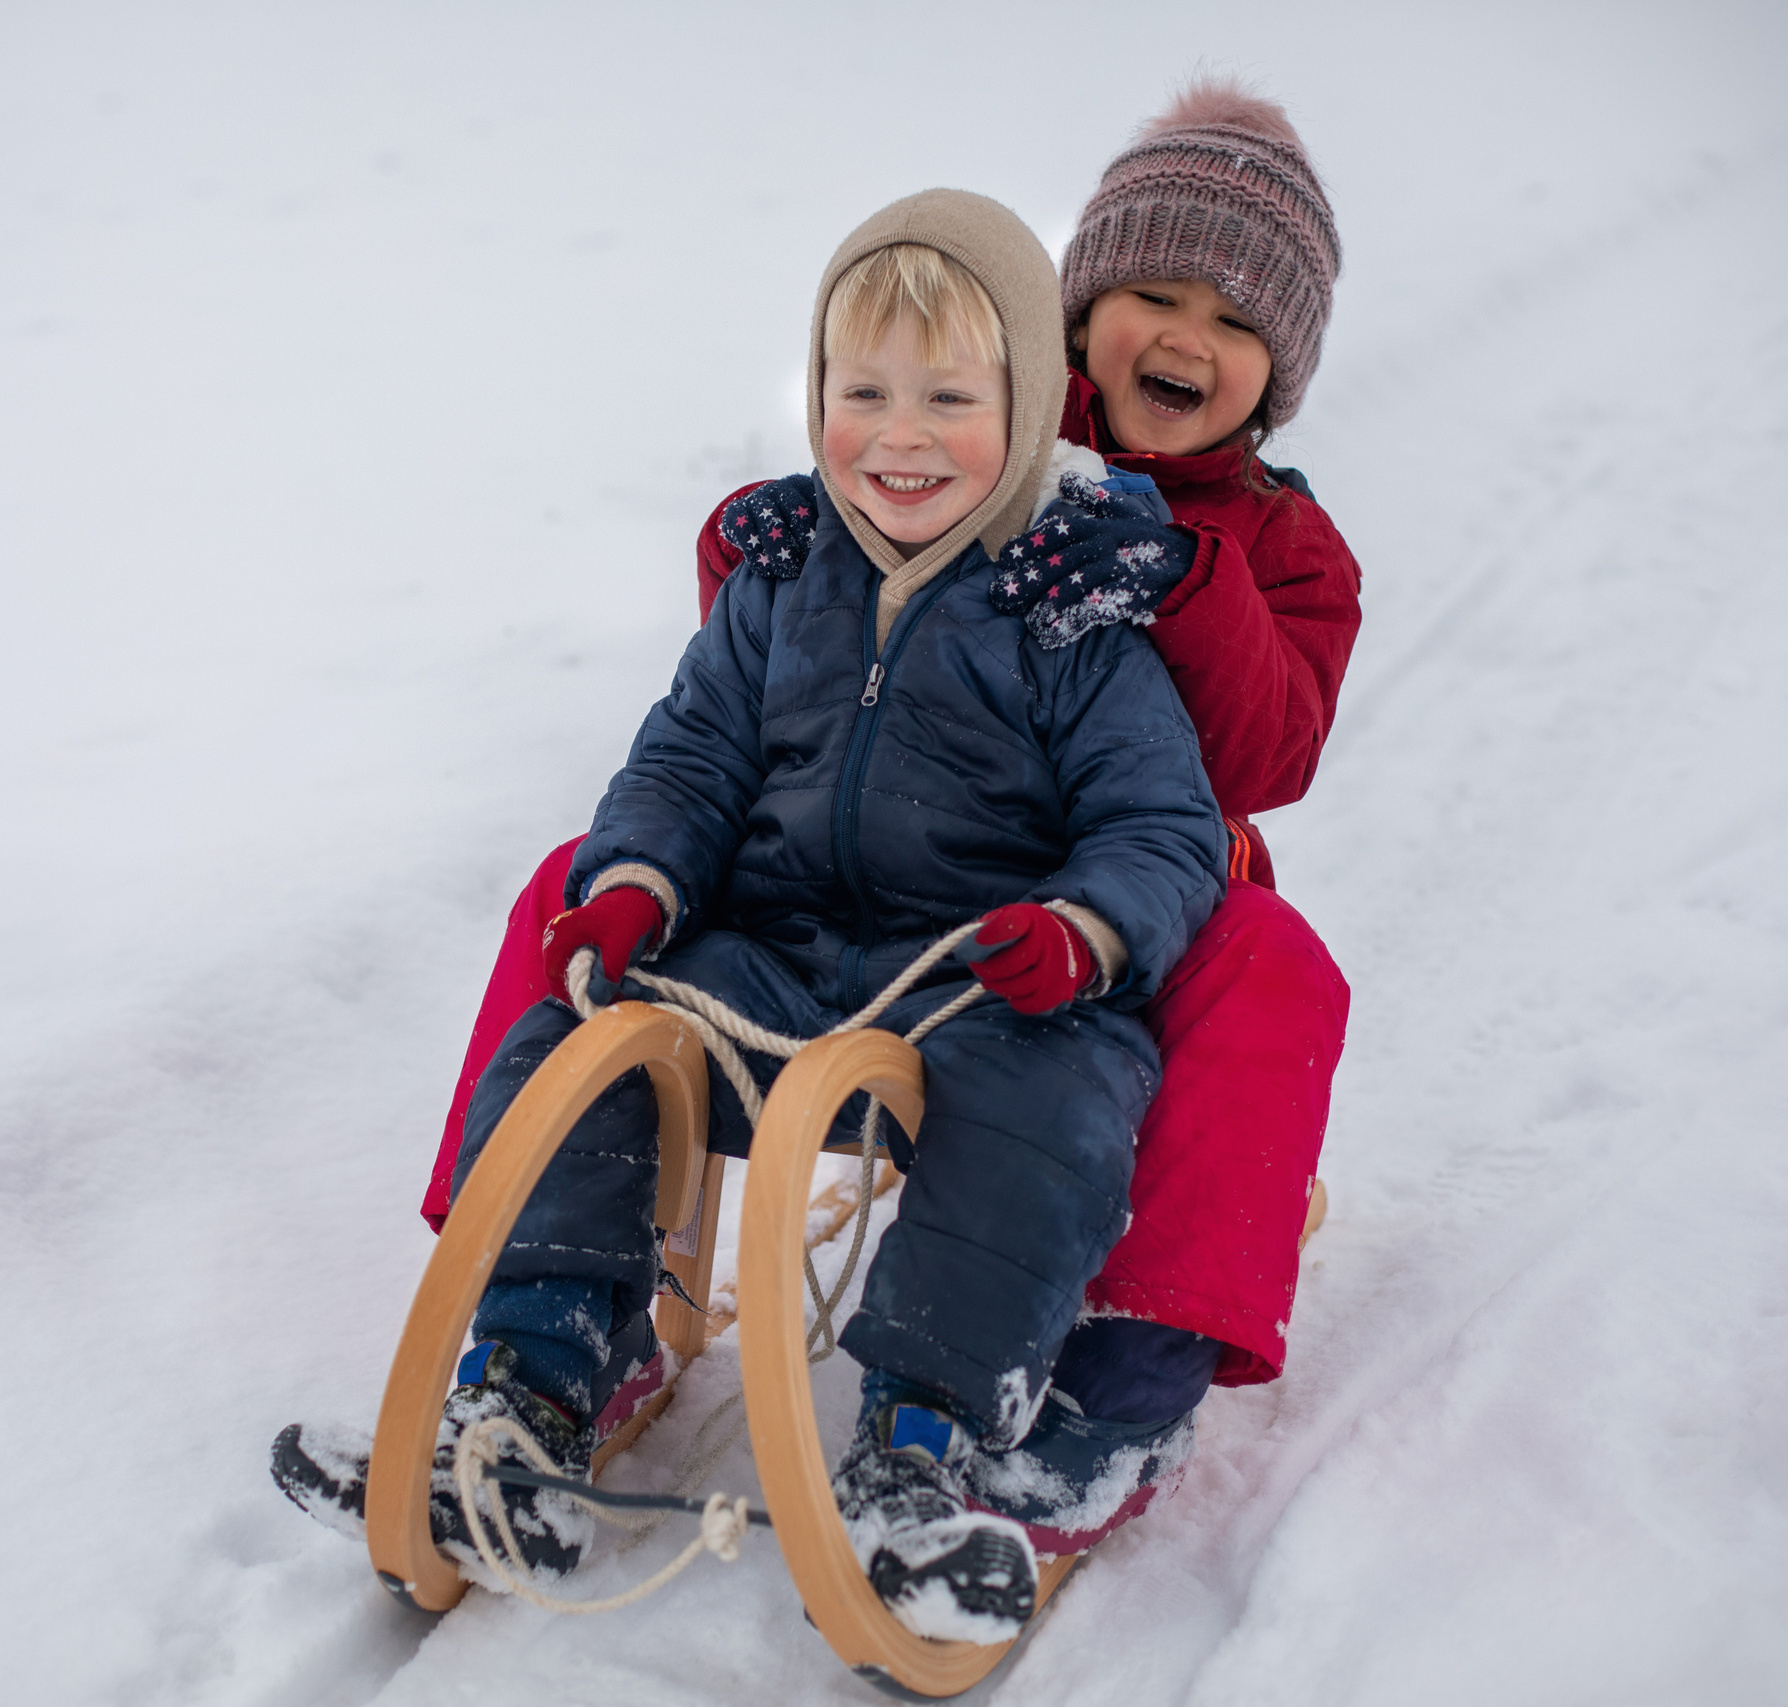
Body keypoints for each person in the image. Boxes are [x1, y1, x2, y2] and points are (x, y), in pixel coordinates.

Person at [414, 80, 1359, 1563]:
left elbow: (1266, 748)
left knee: (1271, 964)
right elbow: (800, 697)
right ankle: (533, 1276)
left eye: (1237, 322)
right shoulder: (959, 406)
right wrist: (755, 543)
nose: (1186, 339)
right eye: (1153, 293)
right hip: (846, 898)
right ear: (1070, 315)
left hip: (1098, 896)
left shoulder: (1287, 548)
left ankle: (1128, 1374)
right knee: (582, 882)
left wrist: (1185, 580)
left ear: (1281, 368)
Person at [277, 186, 1229, 1641]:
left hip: (976, 985)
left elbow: (1160, 826)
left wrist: (1082, 930)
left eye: (950, 398)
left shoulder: (1071, 614)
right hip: (772, 958)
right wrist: (638, 883)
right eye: (863, 393)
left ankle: (927, 1445)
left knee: (1061, 1104)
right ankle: (533, 1381)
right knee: (577, 1038)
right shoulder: (785, 580)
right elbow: (691, 758)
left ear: (1033, 408)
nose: (899, 437)